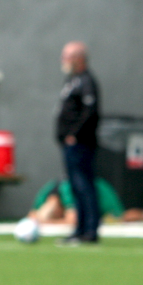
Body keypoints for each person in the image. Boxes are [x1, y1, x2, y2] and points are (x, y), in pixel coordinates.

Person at [55, 41, 101, 245]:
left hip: (80, 145)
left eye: (67, 56)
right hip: (70, 145)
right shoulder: (72, 81)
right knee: (75, 187)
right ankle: (79, 230)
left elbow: (90, 112)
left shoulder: (86, 81)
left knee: (84, 186)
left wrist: (74, 135)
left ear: (79, 59)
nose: (63, 60)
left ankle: (90, 231)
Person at [29, 178, 124, 225]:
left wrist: (46, 222)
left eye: (55, 214)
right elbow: (32, 216)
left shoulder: (67, 191)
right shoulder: (45, 194)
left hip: (106, 205)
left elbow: (73, 221)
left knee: (121, 219)